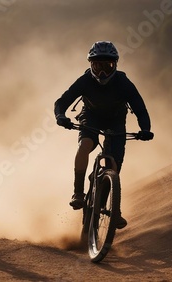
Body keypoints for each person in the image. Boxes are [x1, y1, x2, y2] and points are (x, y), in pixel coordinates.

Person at [54, 41, 154, 229]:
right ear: (90, 65)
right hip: (91, 118)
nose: (102, 72)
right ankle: (78, 193)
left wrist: (145, 129)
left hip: (116, 121)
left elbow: (140, 109)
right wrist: (61, 116)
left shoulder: (124, 83)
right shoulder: (84, 81)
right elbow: (62, 101)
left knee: (114, 166)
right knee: (85, 145)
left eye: (107, 66)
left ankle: (112, 209)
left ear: (115, 65)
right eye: (97, 65)